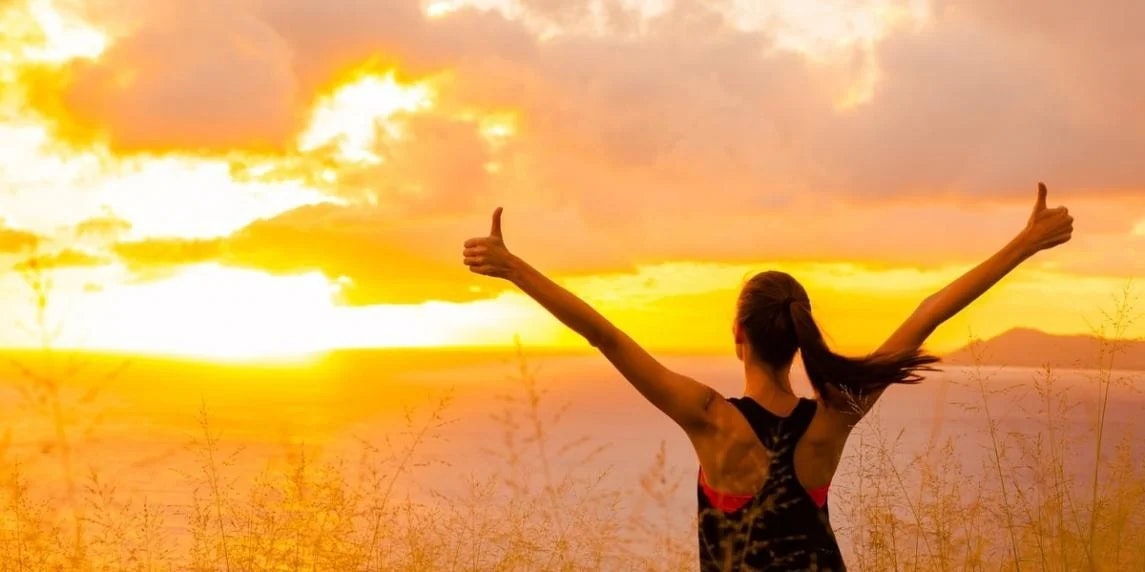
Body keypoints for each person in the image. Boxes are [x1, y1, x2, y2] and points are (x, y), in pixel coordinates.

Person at [461, 183, 1074, 571]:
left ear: (739, 337)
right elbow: (926, 313)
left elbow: (607, 336)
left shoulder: (709, 418)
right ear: (797, 341)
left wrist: (516, 269)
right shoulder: (835, 416)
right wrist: (1024, 244)